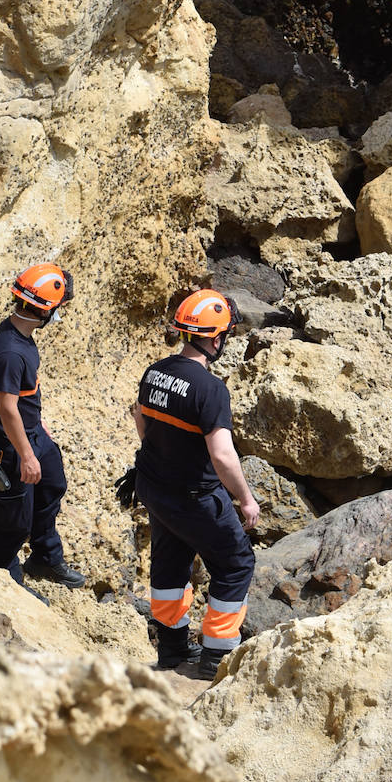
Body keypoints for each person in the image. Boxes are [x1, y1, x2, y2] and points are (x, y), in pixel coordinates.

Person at [131, 288, 260, 680]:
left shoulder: (155, 371)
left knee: (170, 560)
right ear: (216, 338)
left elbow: (140, 418)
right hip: (194, 496)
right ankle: (215, 656)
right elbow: (222, 455)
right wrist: (246, 499)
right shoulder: (211, 389)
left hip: (154, 486)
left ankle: (171, 649)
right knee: (235, 564)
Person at [0, 262, 85, 596]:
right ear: (46, 310)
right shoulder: (11, 353)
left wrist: (38, 427)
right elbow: (6, 408)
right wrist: (25, 454)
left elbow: (22, 398)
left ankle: (44, 557)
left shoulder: (17, 334)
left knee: (52, 485)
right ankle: (5, 581)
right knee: (14, 516)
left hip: (31, 432)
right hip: (7, 446)